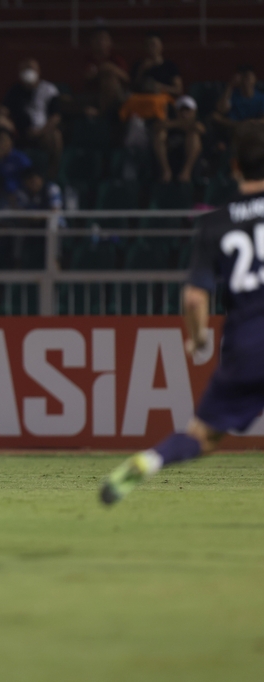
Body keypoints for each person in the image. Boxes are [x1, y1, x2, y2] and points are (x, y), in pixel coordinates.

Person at [100, 123, 264, 505]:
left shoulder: (214, 224)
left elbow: (194, 298)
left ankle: (151, 459)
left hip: (244, 348)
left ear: (235, 166)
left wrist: (200, 337)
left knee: (202, 437)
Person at [0, 59, 62, 178]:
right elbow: (4, 110)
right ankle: (1, 174)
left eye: (31, 68)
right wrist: (3, 118)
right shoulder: (15, 90)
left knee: (56, 137)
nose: (28, 72)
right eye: (25, 69)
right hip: (20, 132)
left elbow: (56, 116)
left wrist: (41, 132)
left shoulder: (48, 89)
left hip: (43, 133)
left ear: (38, 71)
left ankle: (52, 175)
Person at [154, 95, 203, 183]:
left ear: (194, 111)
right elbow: (157, 127)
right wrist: (178, 123)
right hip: (170, 160)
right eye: (181, 110)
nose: (184, 113)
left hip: (191, 165)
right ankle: (166, 172)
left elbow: (199, 128)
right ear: (176, 111)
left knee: (194, 136)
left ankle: (186, 173)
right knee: (160, 135)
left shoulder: (198, 122)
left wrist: (174, 124)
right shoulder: (169, 125)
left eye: (187, 110)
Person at [83, 29, 129, 114]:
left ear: (110, 42)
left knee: (110, 77)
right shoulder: (87, 60)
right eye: (98, 39)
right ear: (92, 42)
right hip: (94, 93)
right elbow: (85, 78)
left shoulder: (116, 59)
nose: (101, 42)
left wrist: (111, 68)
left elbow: (126, 78)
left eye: (104, 39)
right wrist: (100, 71)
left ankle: (102, 113)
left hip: (116, 95)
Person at [214, 65, 264, 130]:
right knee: (215, 116)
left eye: (248, 76)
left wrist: (250, 124)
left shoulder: (261, 98)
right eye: (243, 76)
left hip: (253, 130)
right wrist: (230, 85)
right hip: (234, 129)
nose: (246, 79)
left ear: (255, 79)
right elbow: (221, 110)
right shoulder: (232, 95)